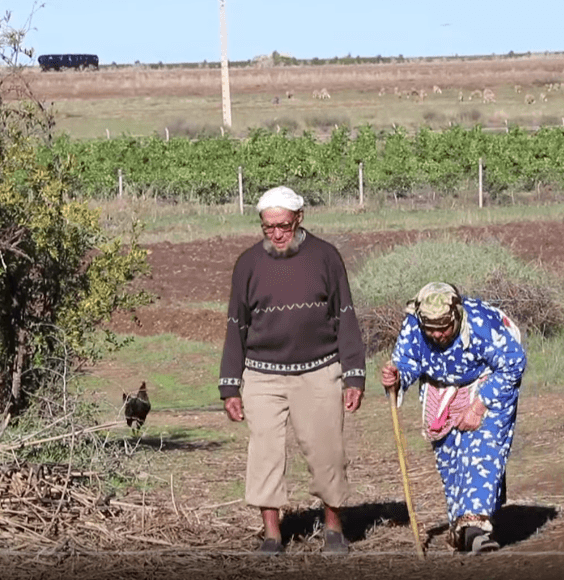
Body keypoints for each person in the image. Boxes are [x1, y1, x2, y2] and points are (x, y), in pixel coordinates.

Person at [219, 186, 367, 556]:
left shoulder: (326, 258)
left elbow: (345, 316)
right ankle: (272, 535)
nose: (276, 234)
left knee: (326, 452)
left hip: (319, 371)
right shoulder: (248, 264)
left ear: (299, 218)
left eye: (282, 225)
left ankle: (334, 528)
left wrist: (354, 374)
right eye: (267, 227)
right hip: (261, 375)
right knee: (265, 454)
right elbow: (236, 324)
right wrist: (230, 386)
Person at [379, 282, 526, 554]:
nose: (437, 335)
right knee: (452, 461)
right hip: (440, 390)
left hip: (488, 383)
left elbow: (513, 362)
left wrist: (478, 407)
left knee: (482, 447)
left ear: (457, 315)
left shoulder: (481, 322)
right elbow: (407, 362)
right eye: (431, 329)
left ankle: (476, 528)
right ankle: (462, 526)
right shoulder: (413, 326)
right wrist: (397, 377)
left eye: (444, 328)